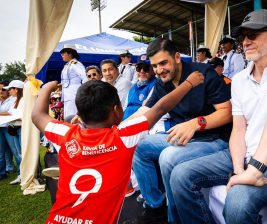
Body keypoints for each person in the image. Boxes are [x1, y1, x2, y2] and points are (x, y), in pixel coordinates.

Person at [163, 9, 267, 224]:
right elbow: (238, 128)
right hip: (243, 155)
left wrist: (255, 169)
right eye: (242, 36)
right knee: (180, 175)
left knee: (237, 202)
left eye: (252, 35)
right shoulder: (239, 79)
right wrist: (239, 169)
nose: (245, 42)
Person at [31, 71, 204, 223]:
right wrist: (189, 83)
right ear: (116, 109)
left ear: (81, 116)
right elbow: (160, 108)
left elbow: (38, 115)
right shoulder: (123, 137)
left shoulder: (66, 135)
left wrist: (47, 87)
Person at [128, 38, 232, 223]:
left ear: (177, 57)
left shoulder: (203, 72)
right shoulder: (162, 81)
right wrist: (115, 130)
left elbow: (227, 113)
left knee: (168, 157)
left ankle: (173, 219)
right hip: (185, 137)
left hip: (214, 139)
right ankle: (155, 208)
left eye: (163, 63)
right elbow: (147, 111)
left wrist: (195, 124)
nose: (159, 70)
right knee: (140, 146)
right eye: (155, 66)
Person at [0, 80, 24, 185]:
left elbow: (15, 114)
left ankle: (23, 173)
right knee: (14, 153)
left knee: (19, 152)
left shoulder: (19, 100)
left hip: (15, 128)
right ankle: (19, 174)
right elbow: (10, 113)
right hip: (9, 127)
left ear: (16, 89)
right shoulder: (14, 100)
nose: (8, 91)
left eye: (9, 89)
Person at [123, 55, 156, 120]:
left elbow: (146, 111)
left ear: (153, 69)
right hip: (124, 123)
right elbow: (125, 107)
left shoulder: (156, 85)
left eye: (146, 68)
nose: (142, 71)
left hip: (138, 123)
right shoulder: (133, 87)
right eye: (139, 68)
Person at [60, 44, 87, 119]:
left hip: (74, 94)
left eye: (63, 53)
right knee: (67, 118)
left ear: (70, 54)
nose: (62, 55)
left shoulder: (75, 64)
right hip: (67, 96)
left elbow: (85, 77)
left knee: (73, 118)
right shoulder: (67, 65)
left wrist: (83, 92)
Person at [0, 81, 17, 180]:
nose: (1, 91)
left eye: (3, 89)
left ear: (8, 90)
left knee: (15, 150)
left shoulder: (13, 99)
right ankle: (2, 173)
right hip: (0, 128)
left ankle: (21, 172)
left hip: (9, 127)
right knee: (1, 152)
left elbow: (11, 113)